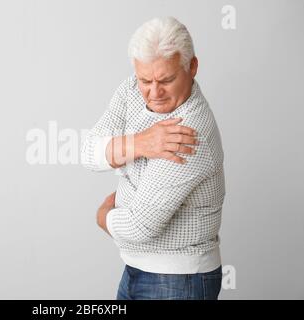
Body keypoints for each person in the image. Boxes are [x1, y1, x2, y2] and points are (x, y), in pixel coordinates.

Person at [81, 16, 225, 300]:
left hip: (179, 279)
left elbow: (140, 226)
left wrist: (103, 216)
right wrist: (139, 143)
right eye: (145, 79)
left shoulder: (188, 133)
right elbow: (87, 152)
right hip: (136, 267)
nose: (153, 92)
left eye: (167, 80)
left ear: (192, 67)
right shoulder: (131, 90)